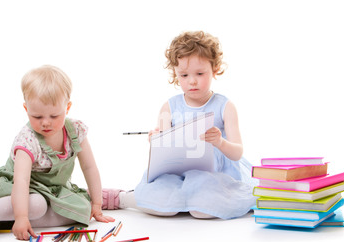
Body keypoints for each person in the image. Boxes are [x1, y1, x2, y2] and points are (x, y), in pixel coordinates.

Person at [102, 31, 256, 219]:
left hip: (214, 175)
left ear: (215, 69)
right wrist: (156, 141)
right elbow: (162, 158)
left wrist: (219, 142)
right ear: (175, 73)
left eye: (200, 73)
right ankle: (124, 198)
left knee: (203, 210)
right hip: (177, 173)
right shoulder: (169, 106)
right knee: (161, 205)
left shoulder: (225, 106)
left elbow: (237, 152)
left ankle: (195, 201)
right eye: (184, 75)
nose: (192, 81)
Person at [0, 65, 114, 242]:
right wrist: (22, 217)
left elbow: (89, 166)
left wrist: (97, 204)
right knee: (37, 205)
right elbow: (21, 182)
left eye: (54, 116)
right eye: (37, 117)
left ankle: (6, 220)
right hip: (19, 188)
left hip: (51, 192)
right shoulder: (27, 141)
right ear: (26, 109)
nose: (46, 123)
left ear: (67, 107)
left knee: (83, 210)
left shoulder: (75, 131)